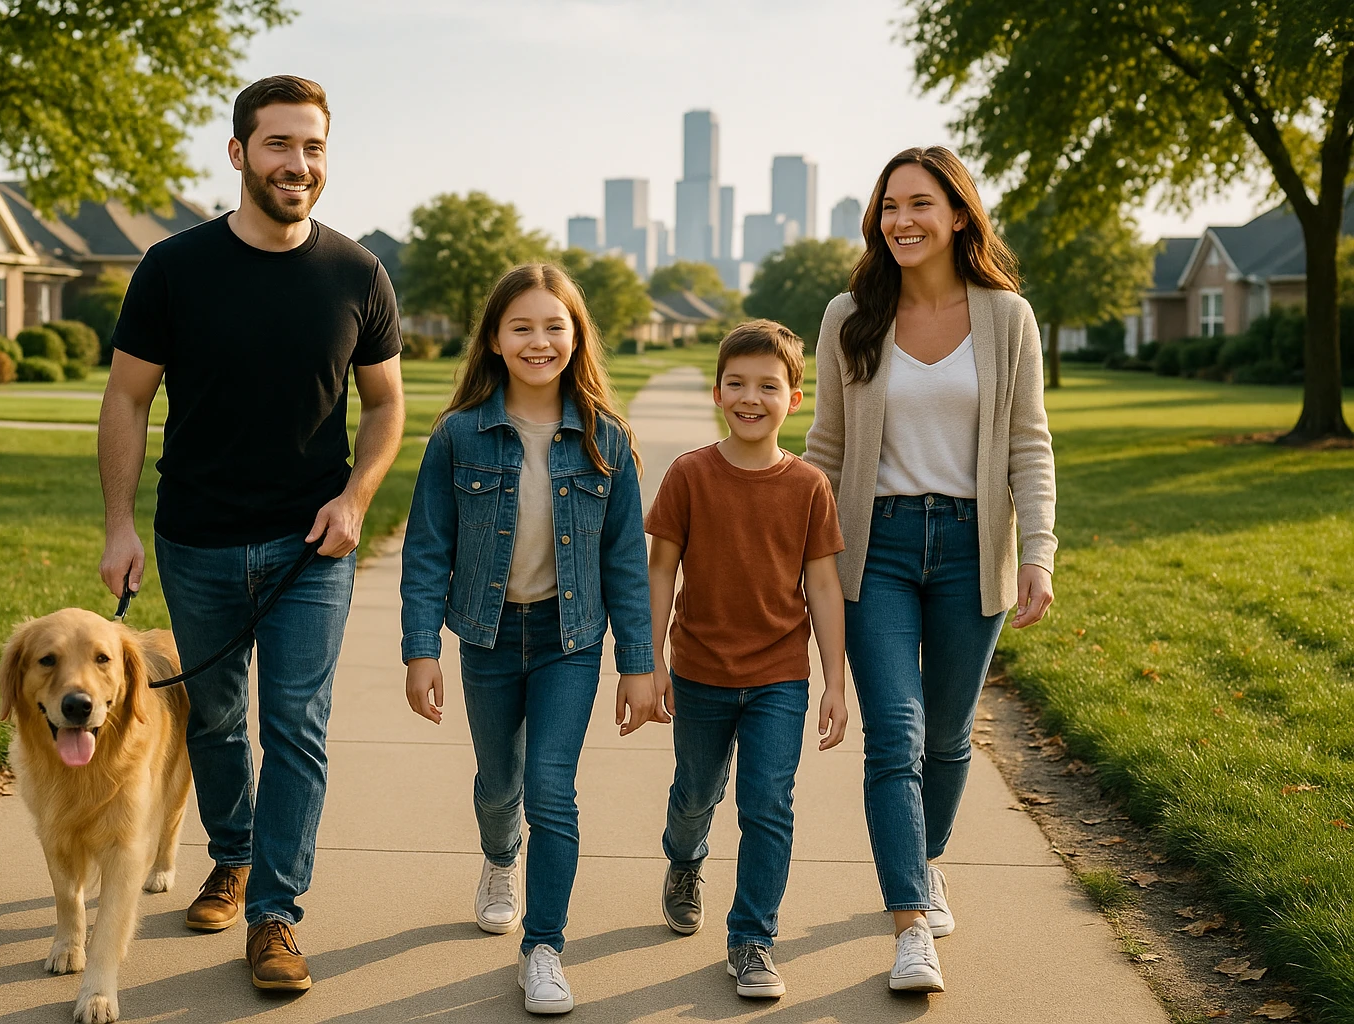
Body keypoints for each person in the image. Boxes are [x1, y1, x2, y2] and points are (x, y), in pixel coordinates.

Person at [96, 75, 406, 994]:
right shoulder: (172, 268)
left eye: (312, 147)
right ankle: (232, 855)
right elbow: (126, 397)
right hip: (196, 538)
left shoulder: (358, 273)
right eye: (278, 145)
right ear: (239, 154)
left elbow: (386, 406)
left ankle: (275, 914)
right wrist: (119, 524)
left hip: (311, 545)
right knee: (220, 723)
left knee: (296, 728)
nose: (297, 165)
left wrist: (355, 500)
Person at [803, 146, 1056, 993]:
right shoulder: (850, 314)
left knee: (947, 739)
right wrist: (797, 549)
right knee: (897, 735)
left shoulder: (1005, 316)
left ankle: (924, 859)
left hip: (970, 548)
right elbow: (827, 450)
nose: (900, 220)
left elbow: (1028, 443)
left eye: (919, 204)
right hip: (873, 546)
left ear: (958, 215)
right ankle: (910, 922)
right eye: (887, 207)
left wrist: (1037, 552)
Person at [399, 263, 658, 1015]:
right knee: (498, 785)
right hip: (484, 637)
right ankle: (498, 858)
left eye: (554, 326)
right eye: (522, 326)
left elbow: (625, 566)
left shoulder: (606, 438)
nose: (539, 340)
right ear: (494, 338)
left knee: (551, 788)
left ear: (577, 338)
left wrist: (638, 665)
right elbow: (425, 550)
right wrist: (421, 650)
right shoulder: (457, 436)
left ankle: (544, 947)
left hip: (568, 640)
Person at [644, 320, 849, 1001]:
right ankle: (683, 861)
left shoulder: (809, 486)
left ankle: (752, 938)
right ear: (717, 392)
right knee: (696, 796)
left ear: (795, 399)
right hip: (700, 669)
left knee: (768, 805)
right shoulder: (691, 474)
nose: (750, 397)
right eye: (737, 383)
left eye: (768, 385)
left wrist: (834, 684)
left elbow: (821, 585)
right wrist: (650, 661)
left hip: (779, 677)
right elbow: (661, 569)